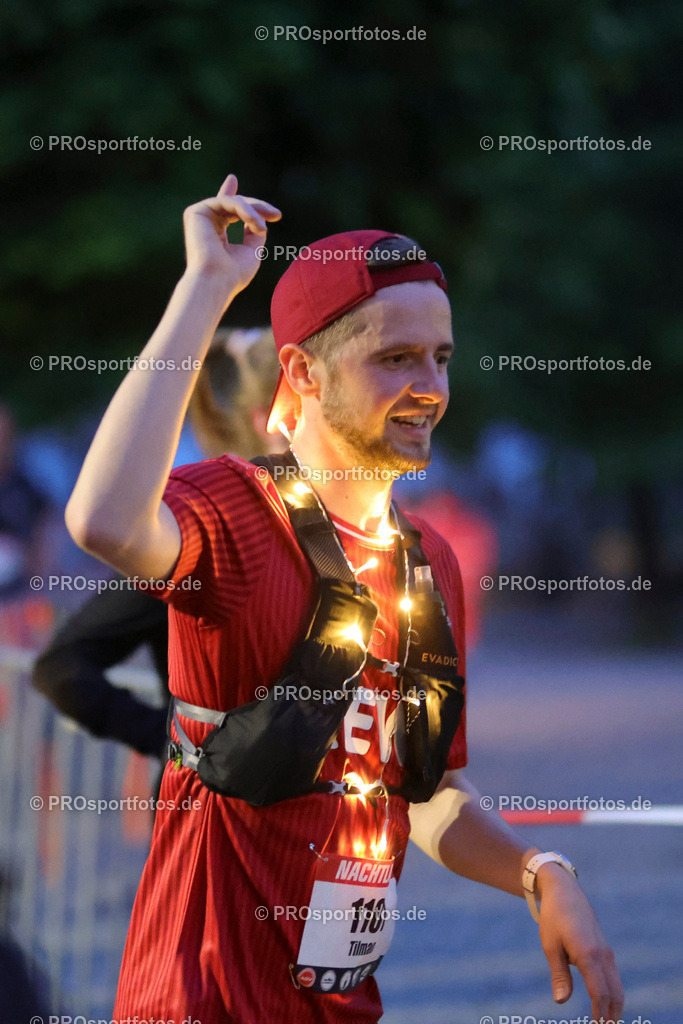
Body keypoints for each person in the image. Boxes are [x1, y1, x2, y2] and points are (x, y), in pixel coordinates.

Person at [65, 174, 623, 1023]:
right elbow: (103, 519)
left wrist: (537, 870)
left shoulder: (426, 558)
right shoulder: (236, 511)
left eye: (439, 357)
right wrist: (205, 287)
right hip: (199, 1001)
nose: (428, 386)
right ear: (304, 373)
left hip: (343, 1006)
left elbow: (427, 793)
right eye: (393, 358)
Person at [33, 328, 281, 761]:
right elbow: (61, 667)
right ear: (273, 418)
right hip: (199, 817)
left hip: (322, 821)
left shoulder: (355, 530)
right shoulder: (203, 533)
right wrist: (178, 744)